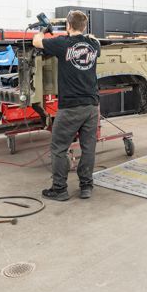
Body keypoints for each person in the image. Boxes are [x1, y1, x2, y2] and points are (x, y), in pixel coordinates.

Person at [33, 10, 101, 201]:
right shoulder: (93, 44)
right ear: (85, 27)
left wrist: (42, 30)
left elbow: (36, 42)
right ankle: (86, 186)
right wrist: (88, 36)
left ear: (68, 26)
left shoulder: (62, 43)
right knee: (88, 147)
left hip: (70, 106)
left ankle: (59, 189)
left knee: (59, 148)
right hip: (91, 105)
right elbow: (95, 41)